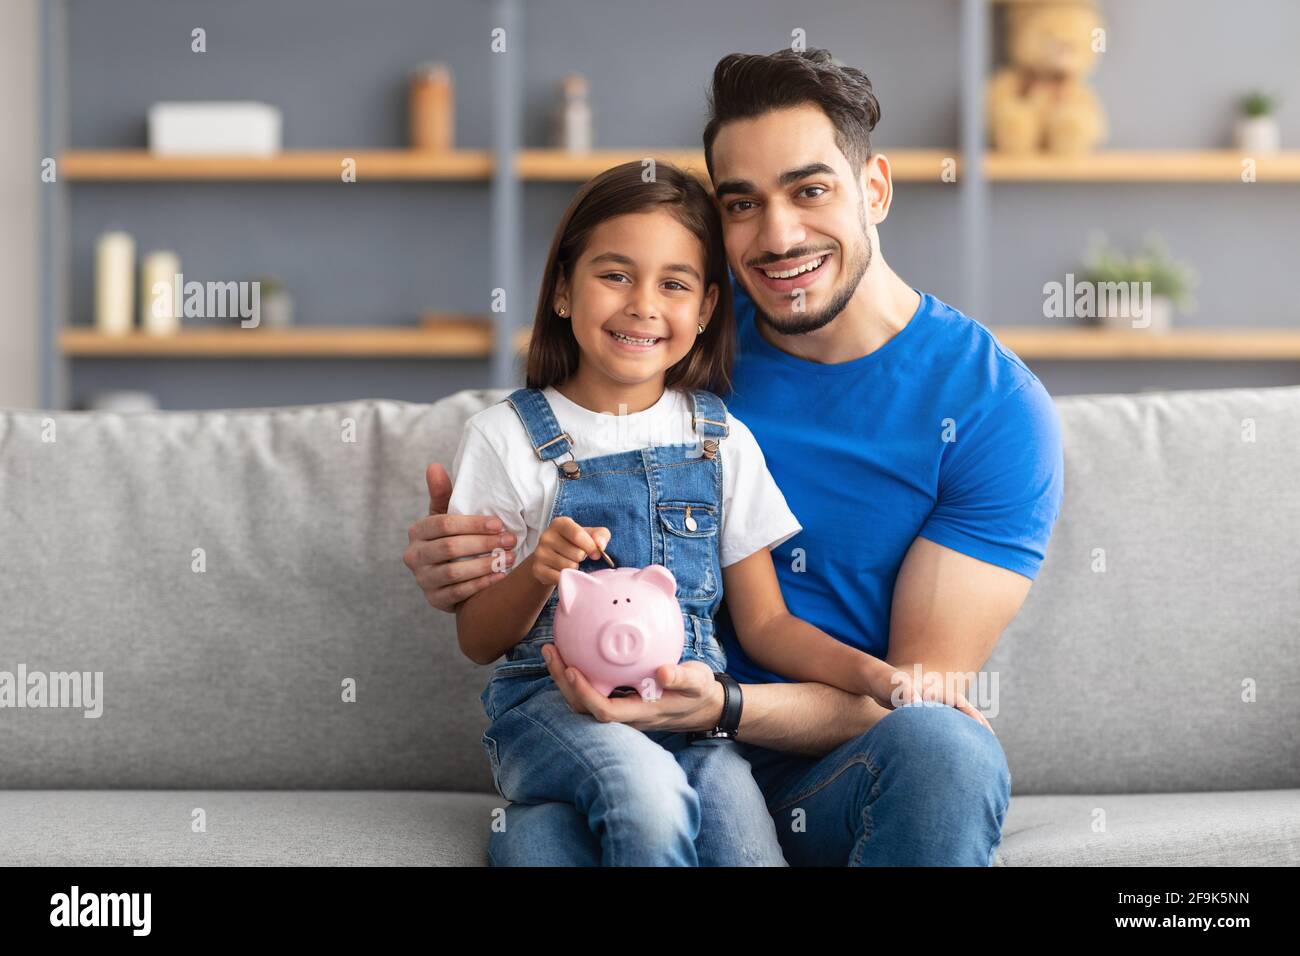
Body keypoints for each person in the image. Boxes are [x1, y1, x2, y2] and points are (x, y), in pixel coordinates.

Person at [405, 49, 1063, 867]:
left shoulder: (992, 410)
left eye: (810, 188)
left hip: (814, 773)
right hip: (612, 741)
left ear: (876, 189)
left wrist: (721, 708)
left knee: (948, 749)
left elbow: (900, 702)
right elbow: (553, 449)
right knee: (535, 841)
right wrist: (467, 563)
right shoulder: (676, 341)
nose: (778, 234)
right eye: (742, 203)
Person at [449, 160, 941, 866]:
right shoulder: (503, 438)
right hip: (550, 710)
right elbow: (477, 638)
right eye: (614, 275)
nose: (644, 305)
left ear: (707, 308)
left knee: (743, 843)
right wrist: (536, 572)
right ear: (563, 288)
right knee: (646, 795)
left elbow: (767, 625)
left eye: (674, 284)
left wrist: (874, 675)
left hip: (691, 711)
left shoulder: (722, 442)